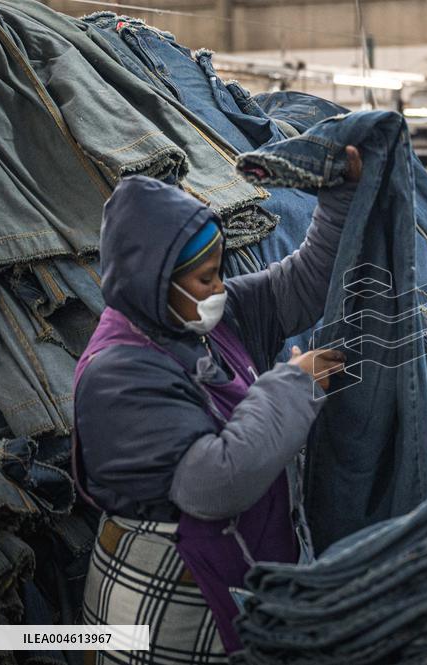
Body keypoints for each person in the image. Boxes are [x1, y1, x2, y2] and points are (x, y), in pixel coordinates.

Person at [73, 147, 361, 661]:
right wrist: (292, 386)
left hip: (227, 575)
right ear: (155, 281)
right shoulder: (120, 373)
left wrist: (339, 199)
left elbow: (304, 280)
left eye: (218, 271)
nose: (219, 288)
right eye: (205, 278)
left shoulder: (203, 324)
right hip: (168, 601)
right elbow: (213, 483)